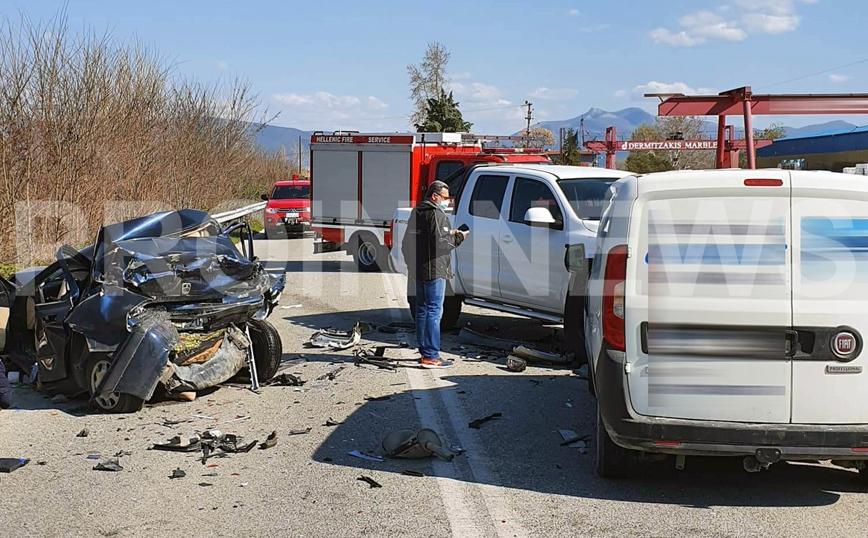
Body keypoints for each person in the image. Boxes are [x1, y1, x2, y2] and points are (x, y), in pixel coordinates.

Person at [402, 180, 468, 369]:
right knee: (433, 311)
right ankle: (431, 356)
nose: (448, 202)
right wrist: (459, 237)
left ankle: (425, 352)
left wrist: (411, 265)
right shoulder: (436, 214)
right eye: (445, 198)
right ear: (435, 196)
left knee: (422, 310)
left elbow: (407, 243)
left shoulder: (417, 212)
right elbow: (441, 244)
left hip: (418, 270)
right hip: (434, 271)